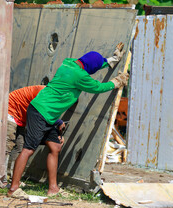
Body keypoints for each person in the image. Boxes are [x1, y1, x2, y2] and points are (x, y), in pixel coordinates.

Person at [7, 42, 129, 198]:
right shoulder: (80, 76)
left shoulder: (68, 63)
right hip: (40, 111)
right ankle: (13, 189)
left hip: (47, 113)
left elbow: (91, 62)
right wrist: (116, 82)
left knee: (55, 146)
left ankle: (53, 189)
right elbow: (98, 88)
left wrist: (110, 60)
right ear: (90, 69)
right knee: (29, 149)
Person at [5, 85, 64, 185]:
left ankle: (10, 178)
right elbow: (42, 113)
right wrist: (58, 122)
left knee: (19, 146)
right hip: (10, 111)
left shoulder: (51, 95)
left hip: (21, 118)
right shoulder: (44, 92)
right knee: (7, 146)